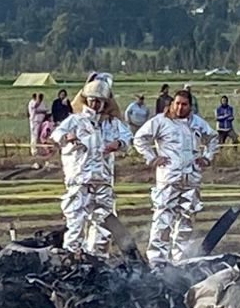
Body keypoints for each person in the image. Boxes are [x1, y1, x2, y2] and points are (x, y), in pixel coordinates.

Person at [50, 75, 133, 254]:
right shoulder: (75, 121)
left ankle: (97, 260)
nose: (95, 104)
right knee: (75, 221)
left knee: (103, 224)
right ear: (86, 100)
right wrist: (67, 137)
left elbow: (128, 138)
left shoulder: (112, 124)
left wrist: (118, 144)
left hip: (102, 180)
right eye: (92, 100)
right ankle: (72, 258)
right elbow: (57, 135)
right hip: (79, 180)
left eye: (99, 101)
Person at [132, 88, 215, 264]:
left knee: (186, 220)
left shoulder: (197, 123)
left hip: (191, 179)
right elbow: (139, 138)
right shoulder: (161, 121)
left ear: (190, 106)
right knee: (163, 219)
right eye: (177, 103)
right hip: (168, 179)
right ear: (171, 104)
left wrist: (207, 157)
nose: (180, 108)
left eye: (184, 104)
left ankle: (181, 260)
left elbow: (213, 138)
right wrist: (152, 157)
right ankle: (158, 260)